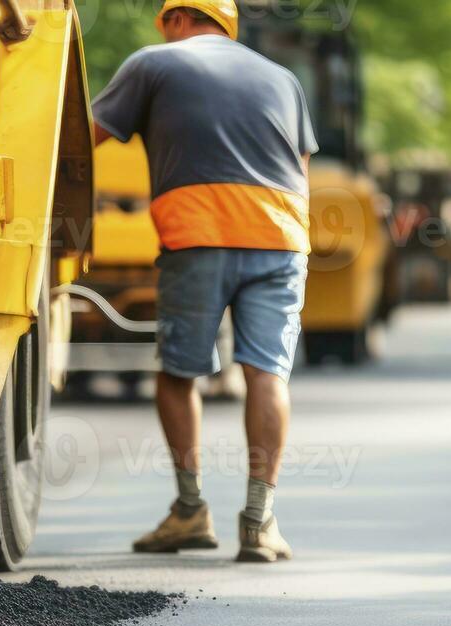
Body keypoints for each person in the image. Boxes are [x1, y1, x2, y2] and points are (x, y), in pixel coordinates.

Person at [92, 0, 316, 563]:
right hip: (281, 240)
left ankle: (190, 511)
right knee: (267, 374)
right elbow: (302, 172)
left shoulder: (154, 63)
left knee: (178, 373)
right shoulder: (284, 78)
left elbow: (78, 139)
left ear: (174, 20)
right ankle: (261, 521)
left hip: (199, 237)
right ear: (227, 25)